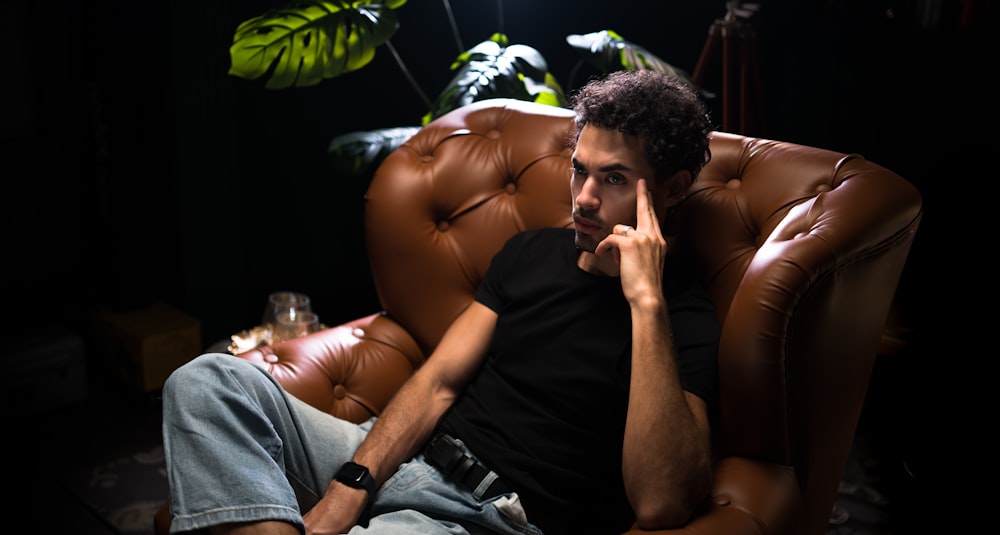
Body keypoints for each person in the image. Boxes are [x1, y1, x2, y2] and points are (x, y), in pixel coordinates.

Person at [161, 69, 720, 535]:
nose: (585, 198)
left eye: (614, 179)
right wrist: (352, 485)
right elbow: (438, 383)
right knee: (206, 381)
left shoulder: (683, 317)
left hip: (486, 516)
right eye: (579, 170)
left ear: (672, 189)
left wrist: (645, 301)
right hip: (402, 455)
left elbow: (660, 502)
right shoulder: (530, 253)